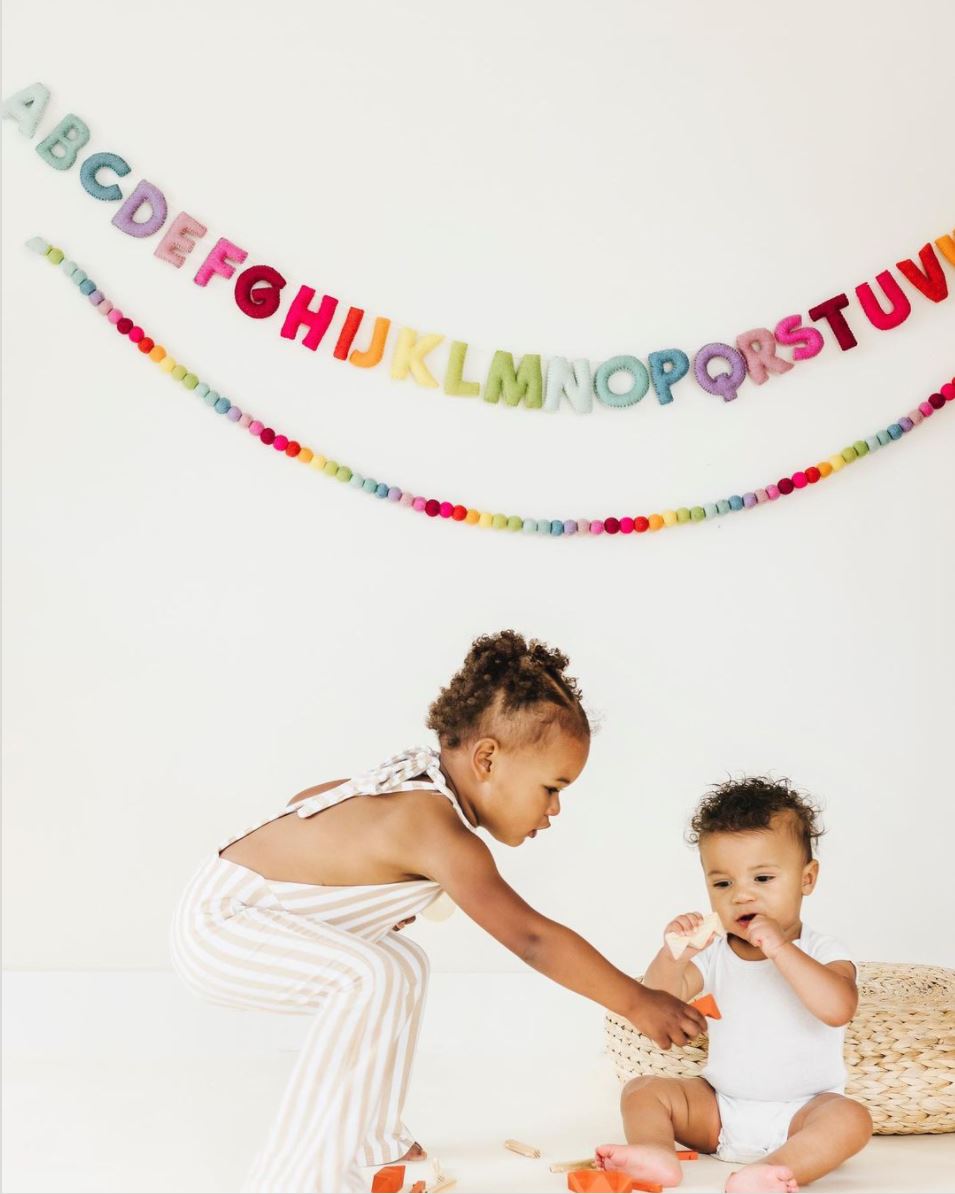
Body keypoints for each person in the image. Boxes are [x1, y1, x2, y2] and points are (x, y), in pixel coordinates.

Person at [170, 629, 705, 1193]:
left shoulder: (420, 782)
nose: (555, 808)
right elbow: (532, 939)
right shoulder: (441, 832)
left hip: (252, 909)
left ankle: (374, 1142)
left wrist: (354, 894)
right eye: (551, 787)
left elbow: (315, 798)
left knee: (401, 963)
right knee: (367, 975)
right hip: (220, 924)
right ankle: (293, 1178)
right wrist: (636, 1000)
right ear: (488, 759)